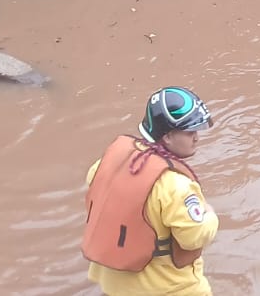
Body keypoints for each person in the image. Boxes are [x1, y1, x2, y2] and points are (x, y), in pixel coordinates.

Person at [83, 87, 220, 296]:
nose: (197, 137)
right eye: (190, 131)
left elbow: (93, 189)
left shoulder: (108, 162)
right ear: (167, 137)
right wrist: (210, 214)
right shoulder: (176, 187)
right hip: (164, 289)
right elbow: (193, 238)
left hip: (112, 284)